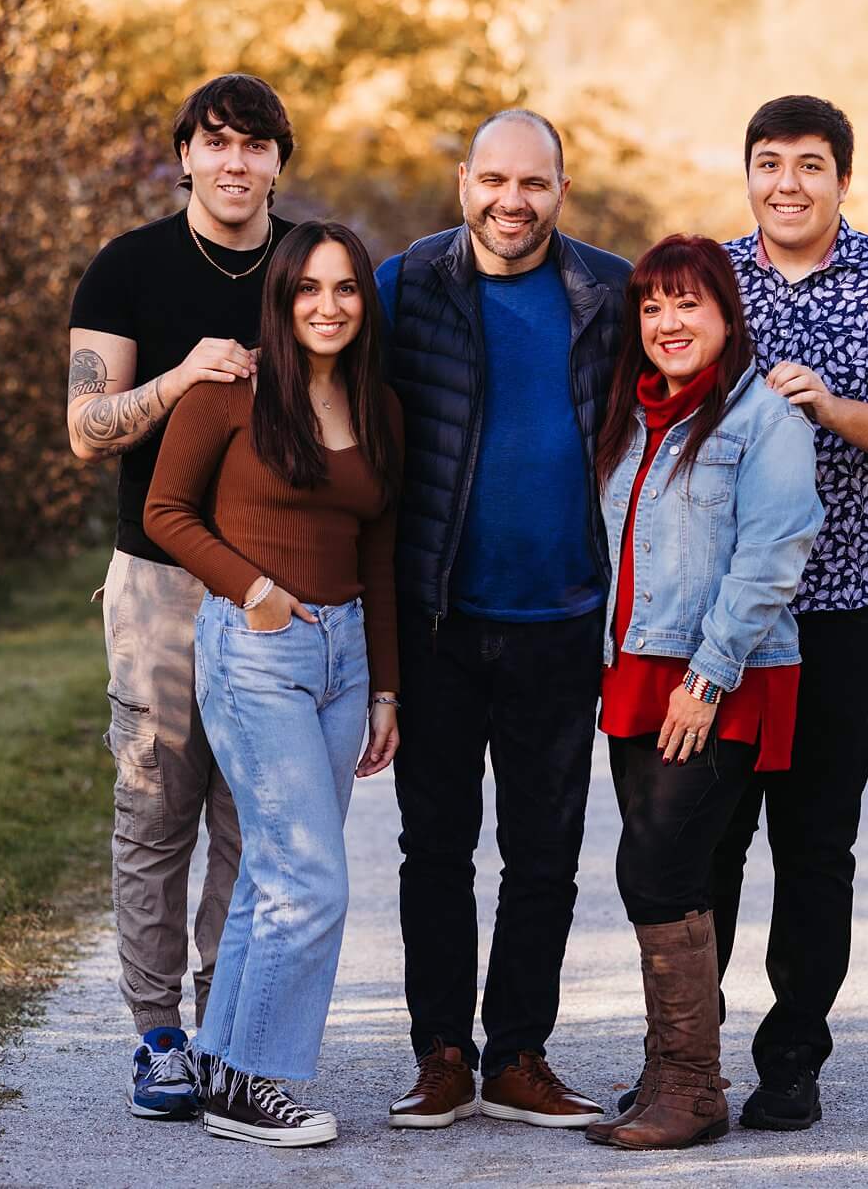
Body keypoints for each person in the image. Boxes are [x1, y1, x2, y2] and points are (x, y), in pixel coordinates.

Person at [708, 94, 868, 1130]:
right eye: (767, 163)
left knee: (813, 842)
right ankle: (687, 1055)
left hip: (843, 611)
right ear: (749, 176)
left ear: (842, 180)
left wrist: (830, 410)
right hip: (725, 619)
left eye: (808, 165)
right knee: (705, 839)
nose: (786, 184)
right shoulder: (707, 279)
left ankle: (791, 1058)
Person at [375, 109, 629, 1131]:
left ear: (560, 193)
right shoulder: (405, 285)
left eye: (532, 184)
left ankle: (518, 1052)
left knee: (543, 853)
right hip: (438, 618)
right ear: (463, 182)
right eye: (492, 180)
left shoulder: (607, 290)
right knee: (433, 847)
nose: (509, 202)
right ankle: (441, 1054)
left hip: (561, 619)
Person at [141, 219, 403, 1147]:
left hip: (345, 662)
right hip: (258, 650)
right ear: (282, 299)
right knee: (313, 884)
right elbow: (163, 510)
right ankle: (257, 1083)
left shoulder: (378, 405)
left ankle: (220, 1060)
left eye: (345, 290)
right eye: (308, 290)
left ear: (364, 302)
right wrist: (252, 590)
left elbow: (378, 546)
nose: (327, 307)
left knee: (274, 872)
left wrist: (385, 690)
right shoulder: (233, 391)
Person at [65, 73, 296, 1119]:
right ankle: (157, 1036)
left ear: (277, 164)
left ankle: (226, 1027)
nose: (236, 163)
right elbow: (85, 427)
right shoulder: (129, 267)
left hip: (274, 580)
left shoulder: (309, 269)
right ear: (187, 156)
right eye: (217, 144)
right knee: (156, 807)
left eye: (255, 146)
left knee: (253, 814)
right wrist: (181, 380)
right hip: (157, 580)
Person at [582, 235, 822, 1151]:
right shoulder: (636, 415)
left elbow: (772, 559)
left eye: (688, 304)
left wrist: (707, 677)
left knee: (658, 866)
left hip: (720, 676)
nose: (668, 323)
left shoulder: (764, 418)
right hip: (636, 672)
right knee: (665, 865)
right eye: (651, 307)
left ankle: (693, 1086)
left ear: (727, 314)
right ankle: (669, 1068)